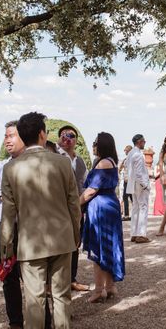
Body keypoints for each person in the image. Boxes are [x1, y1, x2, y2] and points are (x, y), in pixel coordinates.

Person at [1, 112, 80, 329]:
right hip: (62, 238)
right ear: (43, 134)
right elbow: (73, 205)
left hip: (30, 242)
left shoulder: (11, 168)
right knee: (61, 295)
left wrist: (6, 248)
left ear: (23, 136)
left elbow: (8, 216)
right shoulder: (63, 163)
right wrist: (76, 235)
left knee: (34, 298)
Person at [0, 121, 51, 329]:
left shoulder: (34, 164)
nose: (7, 139)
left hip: (27, 229)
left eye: (12, 135)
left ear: (23, 137)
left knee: (34, 278)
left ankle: (46, 326)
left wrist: (10, 194)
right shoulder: (0, 166)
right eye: (5, 136)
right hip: (1, 227)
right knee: (8, 279)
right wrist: (8, 193)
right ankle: (15, 324)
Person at [80, 132, 125, 302]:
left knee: (98, 247)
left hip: (101, 208)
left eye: (95, 142)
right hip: (110, 205)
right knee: (108, 246)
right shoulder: (112, 161)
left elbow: (92, 190)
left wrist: (75, 206)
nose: (93, 145)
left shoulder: (103, 163)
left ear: (102, 145)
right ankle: (110, 286)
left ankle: (99, 290)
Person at [56, 125, 90, 293]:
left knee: (75, 243)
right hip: (58, 209)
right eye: (63, 135)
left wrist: (80, 203)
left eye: (71, 135)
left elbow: (84, 183)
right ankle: (57, 281)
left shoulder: (80, 160)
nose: (67, 138)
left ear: (76, 141)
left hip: (77, 209)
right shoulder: (54, 156)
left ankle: (71, 279)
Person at [126, 134, 151, 244]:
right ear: (139, 142)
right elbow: (139, 173)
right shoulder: (138, 155)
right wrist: (145, 185)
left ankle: (134, 233)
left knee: (136, 208)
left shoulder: (131, 153)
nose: (145, 143)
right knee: (143, 207)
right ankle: (141, 233)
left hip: (132, 184)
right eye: (144, 141)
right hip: (140, 184)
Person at [118, 145, 132, 221]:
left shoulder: (132, 159)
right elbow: (120, 168)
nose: (125, 152)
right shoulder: (126, 160)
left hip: (130, 182)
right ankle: (126, 215)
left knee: (132, 198)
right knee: (125, 198)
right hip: (126, 182)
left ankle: (136, 214)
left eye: (126, 151)